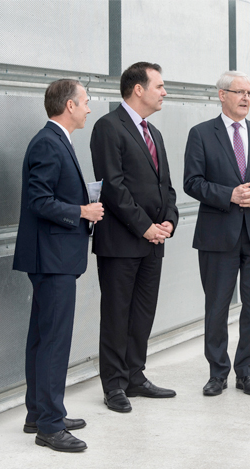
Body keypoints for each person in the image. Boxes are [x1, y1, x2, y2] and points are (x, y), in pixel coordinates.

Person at [13, 79, 104, 452]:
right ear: (68, 105)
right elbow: (39, 200)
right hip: (52, 259)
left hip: (53, 256)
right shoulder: (49, 142)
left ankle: (39, 412)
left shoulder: (55, 140)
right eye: (85, 101)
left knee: (41, 337)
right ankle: (49, 425)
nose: (88, 108)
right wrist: (82, 211)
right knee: (54, 341)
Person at [183, 71, 250, 397]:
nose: (246, 98)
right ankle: (217, 373)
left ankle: (247, 373)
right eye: (239, 92)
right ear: (221, 95)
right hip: (218, 234)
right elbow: (192, 182)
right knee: (217, 307)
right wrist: (229, 194)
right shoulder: (201, 134)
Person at [91, 62, 179, 413]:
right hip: (121, 241)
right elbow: (113, 186)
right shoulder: (108, 128)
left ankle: (135, 376)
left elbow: (166, 186)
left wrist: (169, 221)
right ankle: (113, 384)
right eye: (159, 85)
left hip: (153, 242)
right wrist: (145, 226)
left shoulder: (153, 133)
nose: (164, 92)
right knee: (117, 313)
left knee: (143, 312)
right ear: (138, 89)